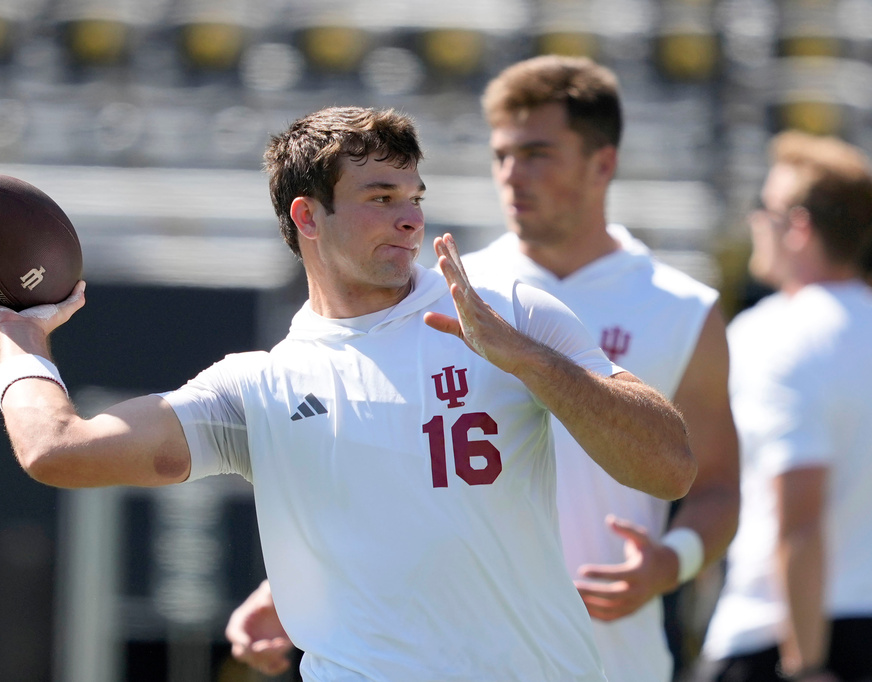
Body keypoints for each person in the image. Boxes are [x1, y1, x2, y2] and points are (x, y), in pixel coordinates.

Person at [0, 105, 696, 681]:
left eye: (414, 195)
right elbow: (58, 451)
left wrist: (533, 363)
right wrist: (19, 339)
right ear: (307, 216)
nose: (410, 216)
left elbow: (668, 465)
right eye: (380, 196)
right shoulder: (261, 386)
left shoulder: (510, 314)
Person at [225, 57, 740, 682]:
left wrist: (672, 562)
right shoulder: (439, 290)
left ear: (602, 164)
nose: (512, 176)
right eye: (501, 155)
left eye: (538, 153)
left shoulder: (681, 306)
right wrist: (287, 587)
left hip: (614, 650)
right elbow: (390, 467)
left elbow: (712, 483)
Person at [700, 131, 872, 682]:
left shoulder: (779, 333)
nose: (755, 223)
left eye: (763, 209)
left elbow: (800, 514)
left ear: (798, 226)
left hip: (786, 637)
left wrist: (804, 666)